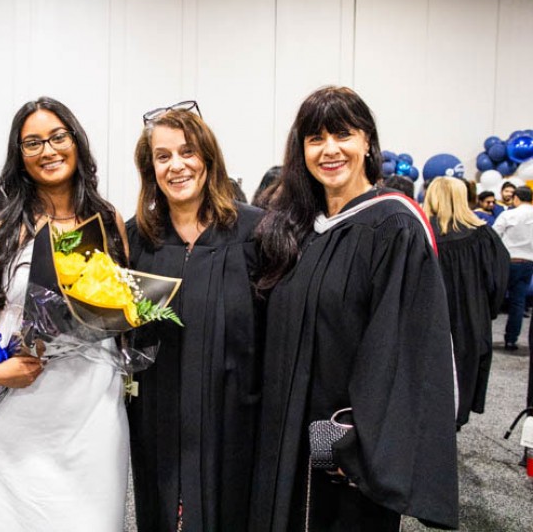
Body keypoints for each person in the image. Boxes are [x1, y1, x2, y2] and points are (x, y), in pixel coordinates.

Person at [250, 86, 458, 532]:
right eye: (314, 138)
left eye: (342, 134)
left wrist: (359, 445)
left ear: (367, 141)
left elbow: (404, 350)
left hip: (344, 455)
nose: (329, 150)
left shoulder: (394, 226)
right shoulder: (296, 229)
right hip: (283, 443)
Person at [0, 97, 129, 531]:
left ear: (76, 142)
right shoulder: (0, 230)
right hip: (17, 407)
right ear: (20, 156)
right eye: (32, 143)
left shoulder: (108, 221)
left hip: (93, 410)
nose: (47, 150)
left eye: (57, 137)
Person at [127, 102, 263, 531]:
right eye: (162, 156)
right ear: (150, 169)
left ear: (208, 158)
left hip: (236, 414)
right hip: (157, 413)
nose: (176, 165)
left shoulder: (257, 233)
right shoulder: (135, 239)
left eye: (187, 152)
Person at [424, 177, 509, 427]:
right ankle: (456, 420)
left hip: (431, 320)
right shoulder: (483, 235)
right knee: (464, 372)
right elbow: (499, 279)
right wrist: (487, 311)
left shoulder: (420, 233)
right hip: (471, 319)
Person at [493, 185, 533, 350]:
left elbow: (494, 235)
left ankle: (485, 335)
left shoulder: (508, 214)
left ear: (516, 198)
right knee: (518, 302)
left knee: (494, 297)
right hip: (528, 262)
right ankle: (511, 339)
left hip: (508, 261)